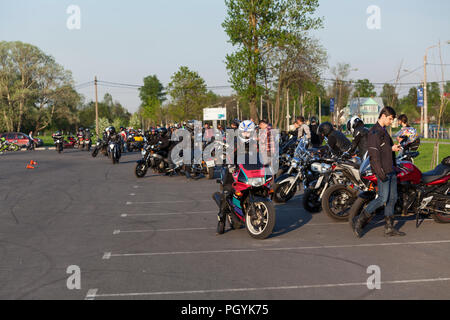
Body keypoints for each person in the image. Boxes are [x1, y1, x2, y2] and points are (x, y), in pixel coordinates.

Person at [353, 107, 405, 238]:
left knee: (392, 199)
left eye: (392, 119)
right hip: (383, 171)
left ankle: (389, 228)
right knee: (382, 198)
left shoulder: (383, 130)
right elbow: (374, 155)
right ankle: (359, 221)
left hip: (391, 170)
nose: (391, 121)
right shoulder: (374, 132)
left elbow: (384, 149)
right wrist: (379, 172)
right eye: (390, 119)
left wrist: (392, 149)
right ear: (383, 116)